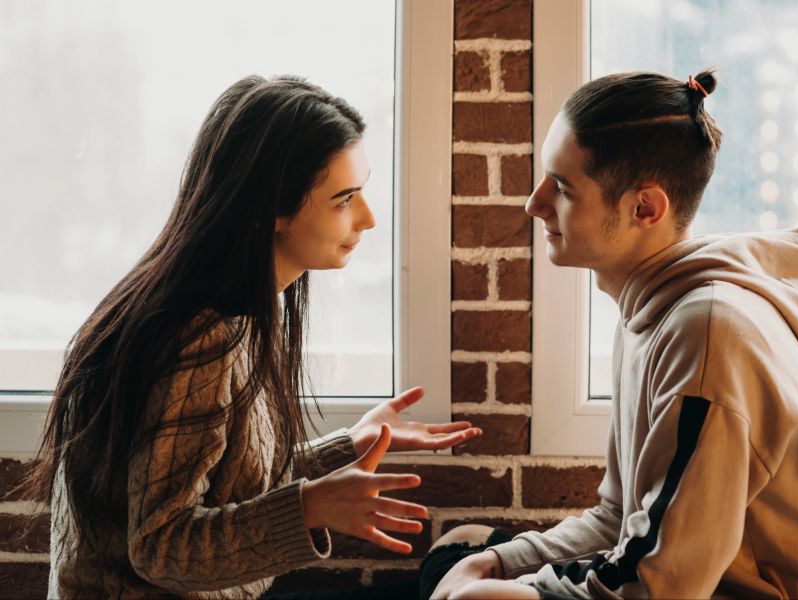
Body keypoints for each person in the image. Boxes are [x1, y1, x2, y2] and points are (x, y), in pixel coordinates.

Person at [428, 70, 798, 599]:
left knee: (475, 593)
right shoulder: (651, 307)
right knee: (463, 550)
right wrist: (499, 561)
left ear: (644, 208)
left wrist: (519, 589)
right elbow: (619, 519)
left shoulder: (705, 334)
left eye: (562, 188)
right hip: (690, 581)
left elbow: (661, 585)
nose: (534, 204)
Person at [21, 75, 481, 599]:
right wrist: (309, 507)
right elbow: (161, 545)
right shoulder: (201, 337)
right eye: (344, 198)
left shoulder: (245, 309)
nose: (369, 218)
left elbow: (229, 480)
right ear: (274, 211)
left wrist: (348, 446)